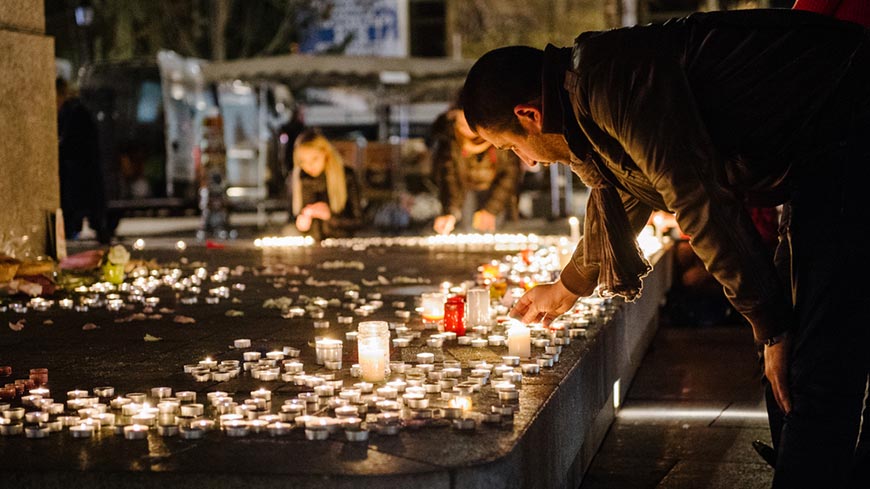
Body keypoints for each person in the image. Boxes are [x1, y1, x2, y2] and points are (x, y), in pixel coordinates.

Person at [461, 9, 869, 488]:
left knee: (814, 357)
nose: (526, 162)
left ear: (528, 114)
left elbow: (697, 197)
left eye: (513, 148)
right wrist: (566, 288)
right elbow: (632, 190)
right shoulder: (589, 89)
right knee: (795, 351)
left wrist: (772, 329)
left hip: (848, 126)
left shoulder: (611, 82)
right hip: (822, 149)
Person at [429, 105, 520, 235]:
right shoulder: (452, 142)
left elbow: (510, 175)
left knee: (492, 231)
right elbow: (449, 178)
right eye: (460, 123)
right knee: (468, 230)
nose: (465, 128)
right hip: (466, 193)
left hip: (496, 191)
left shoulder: (500, 138)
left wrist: (492, 209)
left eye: (469, 122)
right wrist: (450, 212)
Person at [56, 78, 110, 243]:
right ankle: (94, 228)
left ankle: (83, 229)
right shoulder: (77, 110)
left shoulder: (72, 112)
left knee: (79, 203)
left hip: (78, 169)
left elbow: (69, 142)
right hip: (83, 168)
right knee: (88, 203)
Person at [288, 129, 362, 240]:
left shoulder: (346, 176)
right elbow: (291, 217)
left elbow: (359, 221)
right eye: (303, 161)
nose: (309, 166)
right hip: (311, 246)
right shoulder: (298, 179)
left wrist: (330, 216)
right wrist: (301, 224)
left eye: (314, 159)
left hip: (341, 244)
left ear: (325, 153)